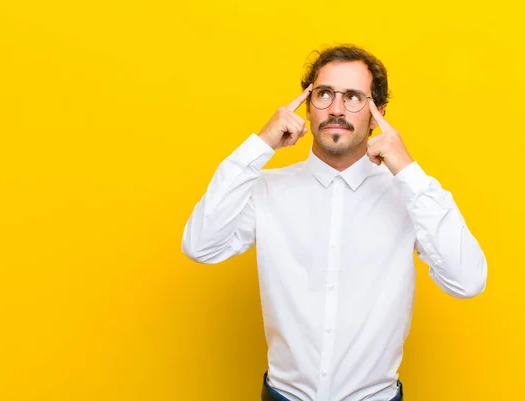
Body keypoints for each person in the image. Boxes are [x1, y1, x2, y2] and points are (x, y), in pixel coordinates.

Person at [181, 44, 487, 401]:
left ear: (377, 115)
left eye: (354, 97)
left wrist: (407, 169)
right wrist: (259, 145)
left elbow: (467, 280)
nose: (337, 109)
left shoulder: (409, 196)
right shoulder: (268, 190)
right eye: (324, 94)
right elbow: (199, 245)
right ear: (307, 108)